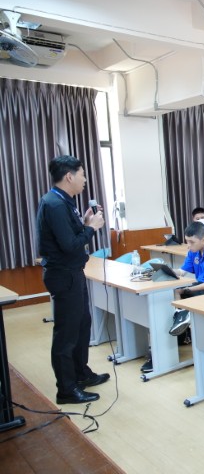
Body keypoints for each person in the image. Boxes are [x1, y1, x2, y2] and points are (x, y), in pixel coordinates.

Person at [36, 155, 109, 404]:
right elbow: (69, 245)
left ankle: (80, 373)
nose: (85, 180)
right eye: (82, 174)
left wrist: (85, 223)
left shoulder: (63, 201)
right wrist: (91, 228)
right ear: (69, 176)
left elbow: (68, 236)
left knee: (81, 324)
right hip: (63, 274)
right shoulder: (55, 204)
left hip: (72, 272)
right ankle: (66, 389)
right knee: (66, 334)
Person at [158, 221, 204, 373]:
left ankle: (183, 318)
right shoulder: (194, 251)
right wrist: (167, 271)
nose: (188, 245)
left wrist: (187, 289)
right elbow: (182, 271)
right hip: (203, 285)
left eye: (191, 242)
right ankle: (182, 318)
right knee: (176, 291)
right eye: (187, 241)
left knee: (185, 293)